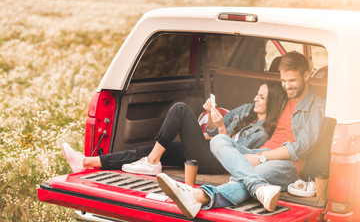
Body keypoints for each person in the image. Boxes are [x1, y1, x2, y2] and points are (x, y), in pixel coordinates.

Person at [156, 51, 326, 219]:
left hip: (288, 164)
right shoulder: (282, 98)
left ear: (306, 75)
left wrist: (261, 157)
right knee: (219, 141)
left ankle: (199, 196)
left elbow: (300, 148)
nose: (287, 86)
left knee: (247, 179)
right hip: (260, 153)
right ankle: (260, 189)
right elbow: (258, 110)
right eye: (283, 80)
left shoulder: (317, 107)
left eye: (292, 81)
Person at [61, 81, 286, 176]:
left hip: (217, 162)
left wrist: (219, 128)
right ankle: (86, 162)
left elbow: (232, 155)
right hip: (208, 147)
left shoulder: (262, 131)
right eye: (257, 93)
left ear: (271, 102)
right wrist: (211, 116)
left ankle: (151, 164)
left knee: (179, 109)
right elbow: (213, 132)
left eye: (261, 96)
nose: (255, 98)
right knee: (151, 149)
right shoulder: (247, 110)